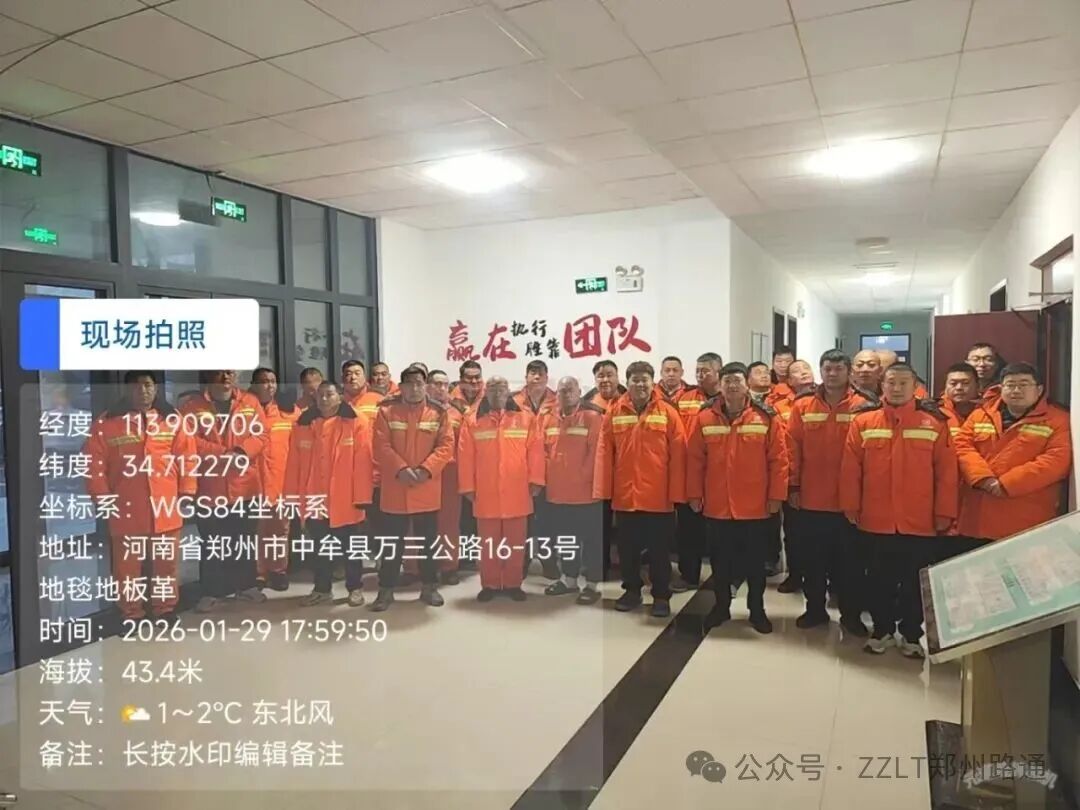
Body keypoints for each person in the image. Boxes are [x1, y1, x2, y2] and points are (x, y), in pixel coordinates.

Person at [840, 363, 957, 658]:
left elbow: (946, 472)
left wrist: (944, 512)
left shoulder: (934, 422)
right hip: (875, 517)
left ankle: (911, 634)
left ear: (915, 386)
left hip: (920, 519)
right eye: (891, 382)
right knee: (878, 579)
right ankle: (881, 630)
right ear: (882, 385)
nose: (896, 388)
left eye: (904, 382)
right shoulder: (864, 421)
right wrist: (851, 505)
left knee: (914, 582)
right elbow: (851, 469)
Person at [84, 371, 197, 623]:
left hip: (165, 505)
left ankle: (165, 609)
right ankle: (131, 613)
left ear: (155, 388)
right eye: (136, 386)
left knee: (166, 564)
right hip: (125, 506)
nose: (142, 391)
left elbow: (187, 458)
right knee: (127, 568)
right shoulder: (108, 423)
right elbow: (93, 464)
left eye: (147, 385)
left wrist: (187, 491)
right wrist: (102, 497)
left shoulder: (172, 420)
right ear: (127, 390)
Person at [688, 362, 787, 634]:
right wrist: (694, 494)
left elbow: (778, 460)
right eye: (727, 381)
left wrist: (776, 496)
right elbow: (695, 460)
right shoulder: (704, 417)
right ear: (720, 385)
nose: (732, 386)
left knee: (755, 564)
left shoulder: (765, 417)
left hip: (755, 505)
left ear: (747, 384)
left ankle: (757, 610)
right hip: (717, 504)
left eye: (737, 380)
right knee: (720, 562)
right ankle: (721, 607)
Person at [787, 350, 873, 633]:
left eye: (838, 368)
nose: (832, 374)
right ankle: (815, 610)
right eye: (827, 369)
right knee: (812, 562)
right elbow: (792, 448)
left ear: (849, 372)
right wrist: (793, 485)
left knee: (850, 565)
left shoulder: (864, 406)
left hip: (851, 501)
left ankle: (850, 616)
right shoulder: (803, 405)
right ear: (821, 371)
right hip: (810, 499)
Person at [595, 361, 686, 618]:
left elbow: (679, 455)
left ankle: (661, 595)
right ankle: (632, 591)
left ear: (652, 382)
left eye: (645, 379)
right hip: (626, 496)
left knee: (659, 552)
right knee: (628, 550)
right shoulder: (615, 411)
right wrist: (604, 491)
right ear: (628, 382)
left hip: (659, 497)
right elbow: (604, 452)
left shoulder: (667, 412)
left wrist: (677, 494)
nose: (640, 384)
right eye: (635, 380)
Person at [953, 362, 1071, 548]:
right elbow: (961, 446)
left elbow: (1056, 461)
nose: (1016, 390)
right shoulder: (981, 415)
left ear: (1039, 389)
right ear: (1001, 388)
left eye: (1023, 384)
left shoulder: (1058, 420)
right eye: (1010, 385)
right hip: (976, 518)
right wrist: (983, 478)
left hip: (1025, 519)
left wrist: (1007, 484)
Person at [180, 370, 269, 612]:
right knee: (212, 542)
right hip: (211, 486)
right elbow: (189, 441)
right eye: (220, 372)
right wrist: (222, 454)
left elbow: (261, 434)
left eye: (230, 372)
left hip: (245, 484)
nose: (226, 377)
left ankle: (246, 586)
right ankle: (211, 591)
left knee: (244, 539)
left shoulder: (250, 402)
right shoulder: (192, 407)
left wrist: (241, 452)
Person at [370, 366, 455, 611]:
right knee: (391, 544)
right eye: (410, 384)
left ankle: (429, 587)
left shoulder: (438, 412)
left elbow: (446, 445)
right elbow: (380, 445)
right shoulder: (386, 411)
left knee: (428, 543)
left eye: (419, 383)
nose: (415, 388)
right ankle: (386, 590)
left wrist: (426, 469)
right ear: (401, 387)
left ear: (425, 386)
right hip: (396, 487)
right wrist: (401, 469)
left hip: (425, 487)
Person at [285, 380, 374, 606]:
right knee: (320, 548)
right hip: (315, 498)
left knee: (351, 548)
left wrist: (362, 498)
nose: (324, 399)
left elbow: (363, 463)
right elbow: (293, 463)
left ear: (340, 396)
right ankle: (322, 589)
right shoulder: (303, 424)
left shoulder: (356, 421)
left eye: (330, 394)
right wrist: (291, 497)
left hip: (346, 498)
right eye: (321, 395)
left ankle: (355, 588)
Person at [457, 376, 545, 601]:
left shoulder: (525, 418)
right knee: (488, 543)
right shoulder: (473, 419)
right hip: (485, 492)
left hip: (518, 491)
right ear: (486, 392)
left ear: (508, 392)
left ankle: (513, 584)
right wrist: (467, 486)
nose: (497, 394)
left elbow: (536, 451)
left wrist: (536, 480)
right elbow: (465, 455)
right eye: (493, 389)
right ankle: (490, 584)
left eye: (501, 389)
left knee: (515, 543)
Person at [540, 376, 605, 604]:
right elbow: (541, 451)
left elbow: (596, 454)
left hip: (585, 494)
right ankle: (569, 580)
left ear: (579, 392)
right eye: (562, 391)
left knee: (591, 542)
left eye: (570, 390)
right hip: (557, 493)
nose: (566, 394)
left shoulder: (592, 417)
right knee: (566, 540)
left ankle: (592, 585)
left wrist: (581, 480)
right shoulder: (548, 418)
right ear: (556, 394)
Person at [668, 352, 723, 591]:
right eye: (698, 371)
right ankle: (688, 575)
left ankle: (725, 579)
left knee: (722, 533)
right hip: (690, 473)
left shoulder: (729, 399)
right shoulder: (685, 398)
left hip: (720, 476)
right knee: (689, 530)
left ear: (718, 372)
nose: (700, 375)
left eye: (706, 371)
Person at [249, 367, 299, 592]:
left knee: (279, 529)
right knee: (256, 530)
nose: (269, 385)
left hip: (281, 480)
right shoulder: (245, 411)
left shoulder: (288, 412)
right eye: (263, 381)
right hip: (252, 482)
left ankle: (278, 571)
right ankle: (258, 573)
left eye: (272, 381)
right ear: (253, 385)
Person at [513, 360, 560, 578]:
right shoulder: (513, 401)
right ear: (526, 377)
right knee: (523, 521)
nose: (537, 377)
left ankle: (548, 561)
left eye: (541, 373)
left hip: (550, 473)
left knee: (547, 522)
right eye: (532, 373)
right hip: (520, 473)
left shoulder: (558, 401)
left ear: (547, 377)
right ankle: (522, 561)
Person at [424, 369, 466, 584]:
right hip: (423, 473)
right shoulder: (419, 410)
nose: (441, 388)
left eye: (445, 385)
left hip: (449, 474)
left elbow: (464, 447)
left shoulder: (457, 414)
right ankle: (414, 567)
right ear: (427, 386)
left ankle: (449, 567)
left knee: (448, 522)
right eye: (436, 384)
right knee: (417, 523)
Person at [939, 362, 981, 439]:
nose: (959, 388)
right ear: (945, 387)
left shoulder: (990, 412)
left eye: (965, 383)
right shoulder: (935, 413)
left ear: (978, 386)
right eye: (953, 383)